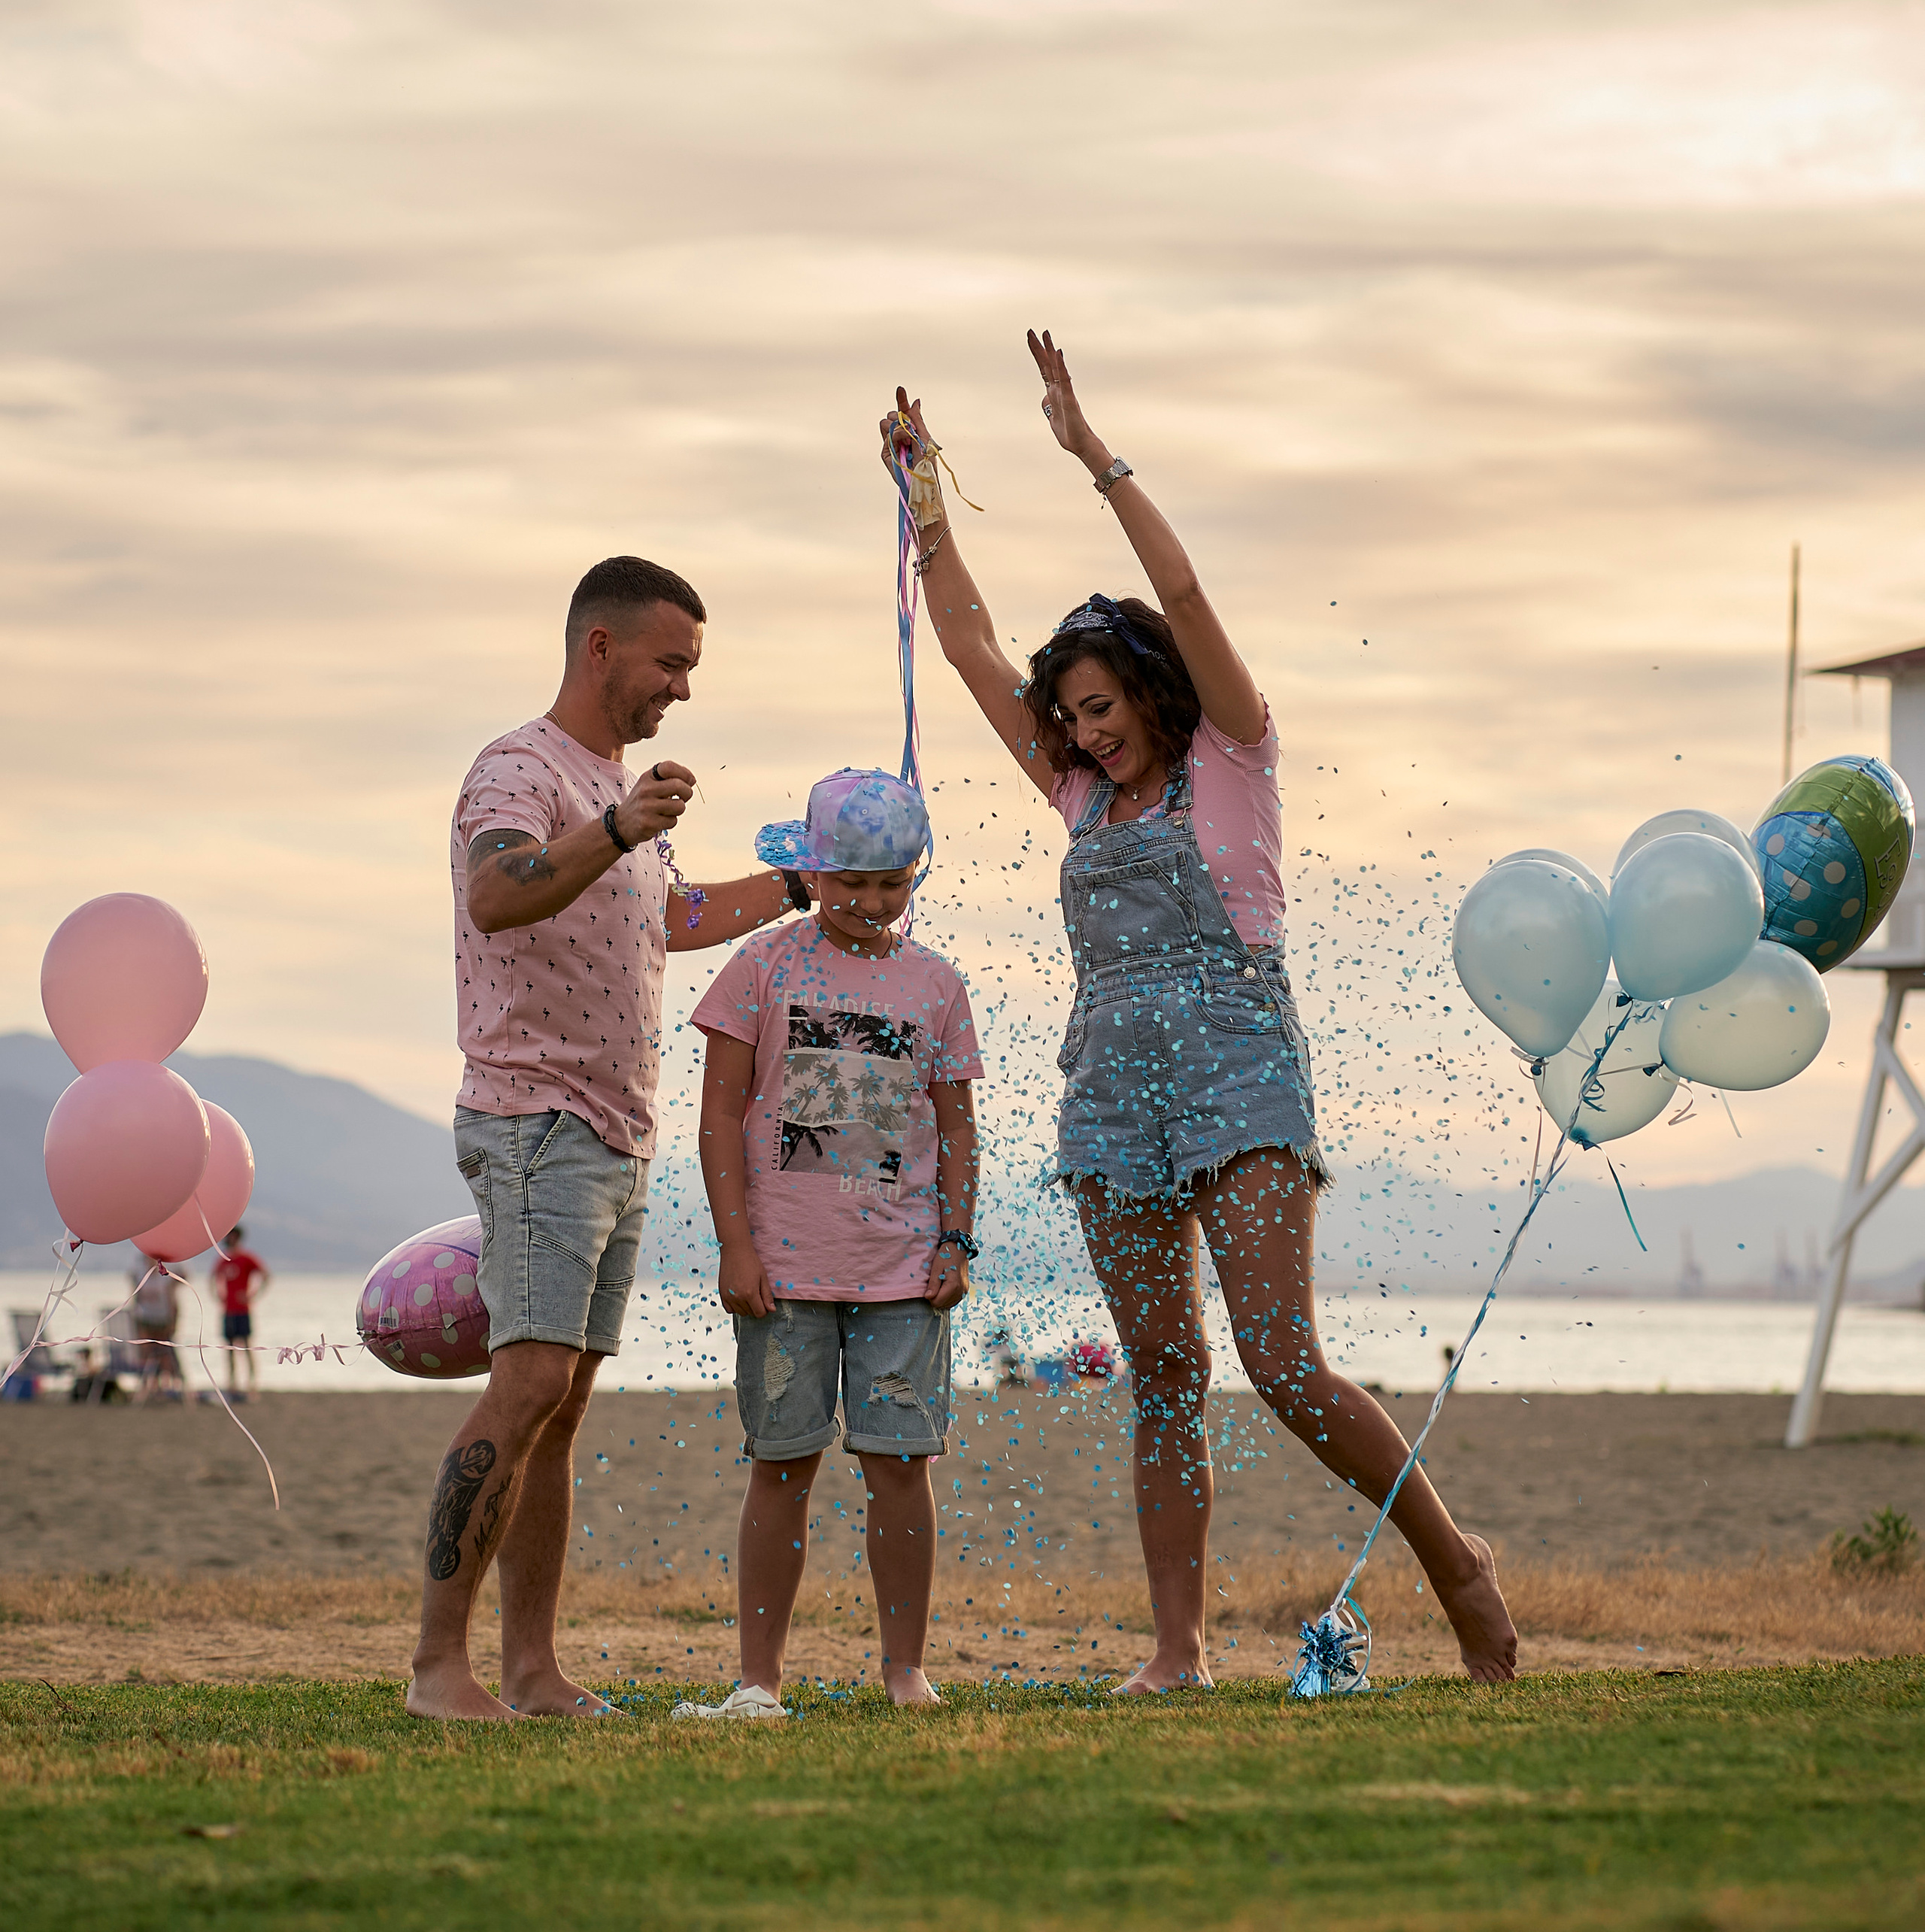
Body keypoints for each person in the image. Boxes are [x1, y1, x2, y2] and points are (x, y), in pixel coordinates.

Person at [881, 334, 1517, 1690]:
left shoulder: (1235, 751)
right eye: (1068, 716)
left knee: (1283, 1365)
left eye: (1100, 706)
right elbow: (967, 638)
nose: (1085, 731)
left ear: (1149, 688)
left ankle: (1459, 1564)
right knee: (1164, 1368)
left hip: (1238, 1067)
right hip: (1109, 1079)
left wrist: (1088, 453)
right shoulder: (1075, 793)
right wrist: (926, 493)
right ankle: (1177, 1656)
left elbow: (1179, 583)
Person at [408, 554, 823, 1724]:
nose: (682, 688)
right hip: (535, 1121)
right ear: (602, 649)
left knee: (564, 1403)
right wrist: (612, 822)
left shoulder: (615, 792)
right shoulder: (519, 769)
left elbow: (674, 915)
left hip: (616, 1134)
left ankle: (535, 1672)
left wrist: (800, 884)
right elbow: (498, 893)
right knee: (528, 1381)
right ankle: (441, 1668)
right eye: (671, 663)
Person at [674, 769, 981, 1721]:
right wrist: (737, 1248)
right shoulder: (762, 967)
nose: (870, 901)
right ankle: (758, 1678)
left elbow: (959, 1126)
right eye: (850, 881)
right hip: (782, 1273)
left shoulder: (936, 984)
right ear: (809, 869)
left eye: (892, 882)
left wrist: (957, 1241)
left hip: (900, 1273)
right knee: (783, 1464)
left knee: (899, 1468)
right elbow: (719, 1114)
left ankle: (903, 1670)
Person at [214, 1227, 269, 1397]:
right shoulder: (223, 1259)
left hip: (243, 1310)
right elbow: (213, 1278)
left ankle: (252, 1384)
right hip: (228, 1310)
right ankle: (232, 1384)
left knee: (247, 1347)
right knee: (229, 1348)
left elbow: (265, 1275)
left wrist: (252, 1296)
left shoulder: (246, 1258)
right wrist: (219, 1296)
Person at [129, 1263, 183, 1403]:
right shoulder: (147, 1278)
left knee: (159, 1350)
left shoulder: (163, 1279)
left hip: (159, 1323)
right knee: (157, 1351)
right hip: (151, 1323)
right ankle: (158, 1386)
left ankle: (159, 1386)